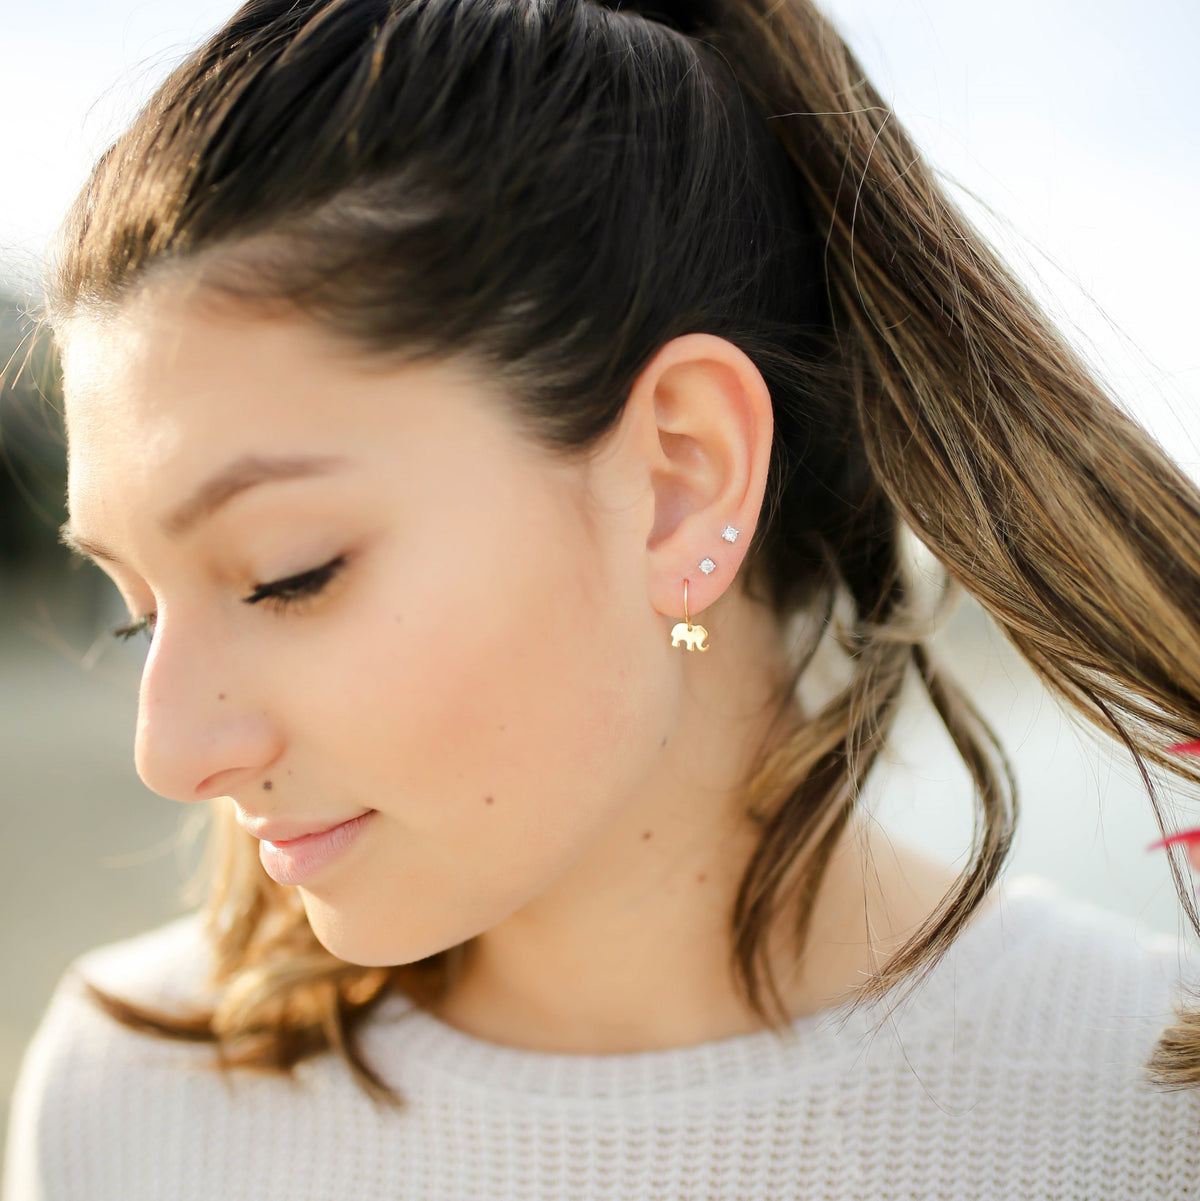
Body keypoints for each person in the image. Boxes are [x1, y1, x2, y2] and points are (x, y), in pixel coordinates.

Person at [5, 0, 1200, 1196]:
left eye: (287, 573)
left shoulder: (1149, 1117)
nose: (169, 752)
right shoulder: (130, 1104)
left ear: (681, 481)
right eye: (140, 612)